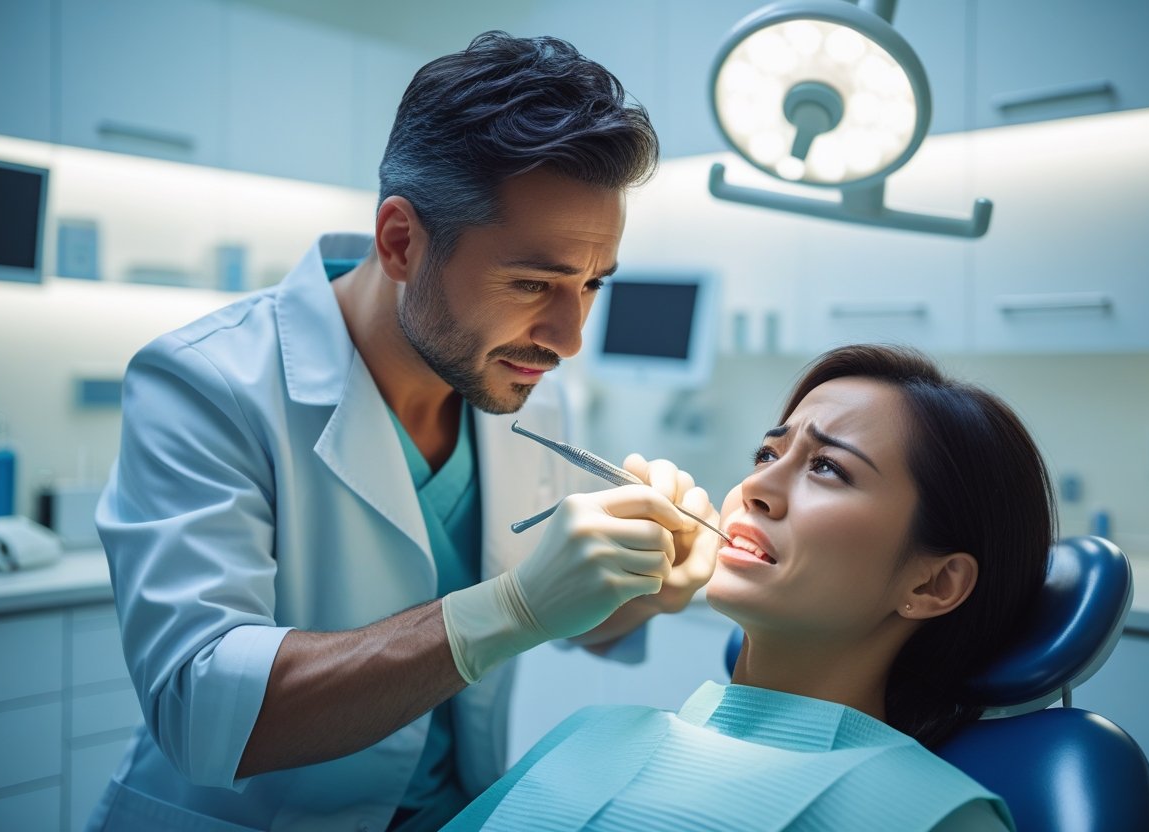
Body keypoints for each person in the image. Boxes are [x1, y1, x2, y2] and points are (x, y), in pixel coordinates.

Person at [88, 32, 719, 832]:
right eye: (532, 282)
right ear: (400, 242)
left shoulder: (523, 390)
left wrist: (643, 588)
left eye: (592, 285)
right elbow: (200, 707)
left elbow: (573, 622)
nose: (567, 339)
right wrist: (510, 610)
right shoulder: (207, 383)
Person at [442, 344, 1057, 831]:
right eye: (768, 455)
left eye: (827, 467)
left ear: (933, 583)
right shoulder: (592, 732)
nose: (756, 488)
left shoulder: (937, 817)